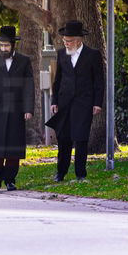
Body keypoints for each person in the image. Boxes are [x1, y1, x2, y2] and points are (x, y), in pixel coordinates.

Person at [0, 24, 35, 191]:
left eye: (6, 45)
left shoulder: (24, 61)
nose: (3, 48)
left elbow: (29, 86)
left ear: (13, 45)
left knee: (13, 148)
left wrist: (28, 109)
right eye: (1, 45)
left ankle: (10, 180)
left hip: (17, 110)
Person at [48, 20, 104, 182]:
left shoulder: (93, 55)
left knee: (81, 138)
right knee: (63, 138)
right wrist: (54, 101)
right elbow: (57, 80)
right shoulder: (61, 54)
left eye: (69, 40)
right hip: (64, 102)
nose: (66, 43)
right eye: (64, 40)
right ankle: (61, 172)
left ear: (79, 40)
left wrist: (97, 103)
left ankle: (80, 173)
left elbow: (98, 81)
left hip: (84, 102)